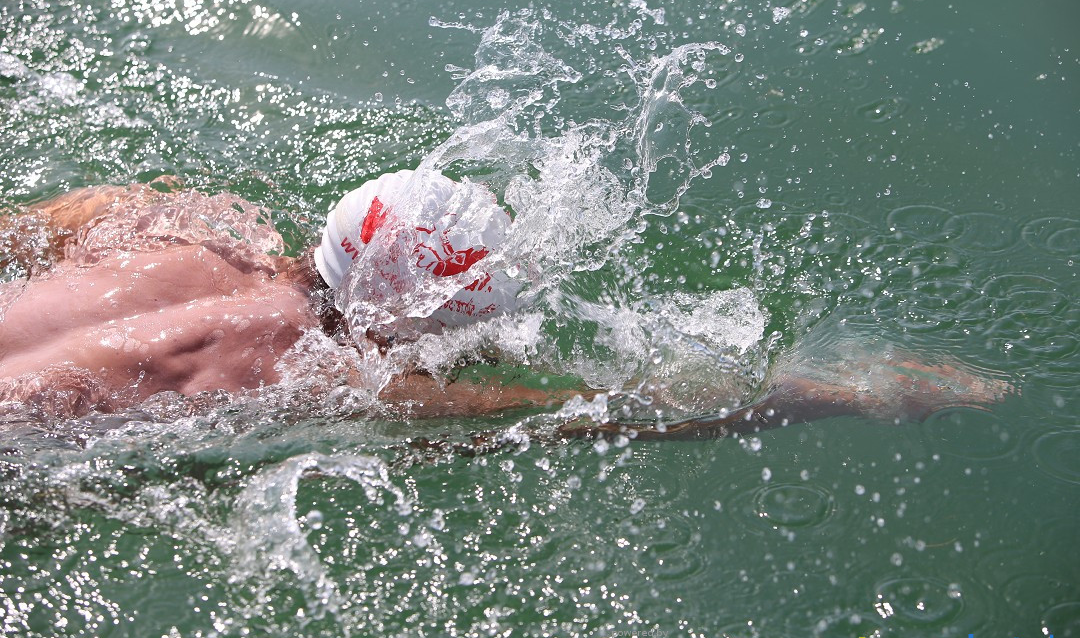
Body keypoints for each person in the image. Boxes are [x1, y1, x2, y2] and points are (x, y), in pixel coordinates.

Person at [0, 172, 1010, 434]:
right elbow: (600, 416)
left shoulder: (170, 227)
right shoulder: (340, 381)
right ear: (407, 322)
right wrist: (842, 395)